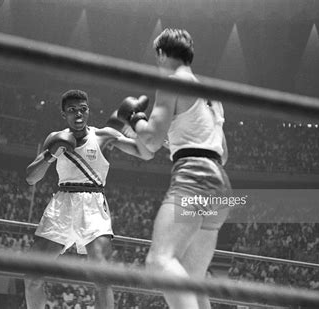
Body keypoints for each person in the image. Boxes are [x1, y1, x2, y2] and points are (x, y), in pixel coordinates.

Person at [116, 28, 231, 309]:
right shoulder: (211, 96)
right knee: (193, 280)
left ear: (161, 54)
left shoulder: (170, 83)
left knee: (159, 261)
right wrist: (173, 142)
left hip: (194, 177)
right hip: (220, 183)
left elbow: (152, 141)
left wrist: (135, 118)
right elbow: (223, 153)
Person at [24, 89, 153, 309]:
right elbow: (30, 178)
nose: (78, 114)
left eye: (83, 109)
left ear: (88, 111)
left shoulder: (103, 136)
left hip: (93, 204)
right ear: (63, 114)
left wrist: (136, 123)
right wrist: (50, 154)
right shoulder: (55, 138)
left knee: (102, 277)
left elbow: (145, 152)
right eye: (72, 110)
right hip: (62, 204)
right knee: (32, 276)